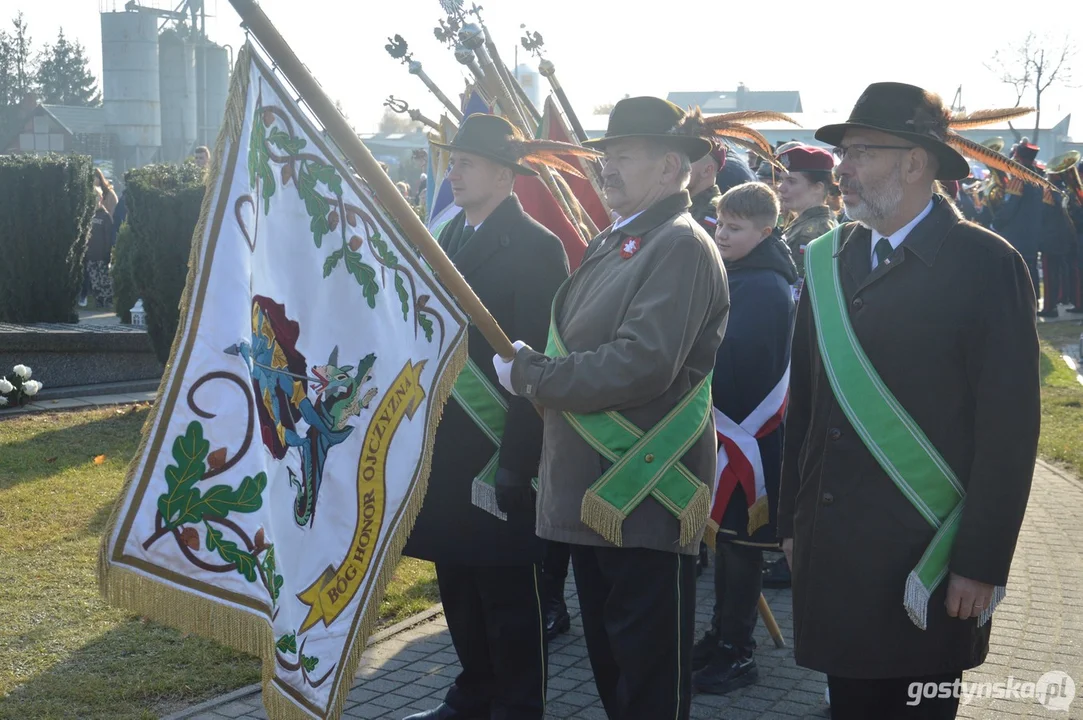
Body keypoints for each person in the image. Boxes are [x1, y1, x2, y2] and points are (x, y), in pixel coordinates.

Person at [779, 82, 1040, 720]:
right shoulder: (826, 261)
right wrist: (790, 523)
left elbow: (1009, 430)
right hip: (836, 555)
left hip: (926, 563)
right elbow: (805, 407)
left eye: (861, 151)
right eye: (844, 153)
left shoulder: (986, 263)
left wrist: (980, 563)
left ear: (916, 162)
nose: (843, 168)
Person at [493, 96, 731, 720]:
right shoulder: (624, 238)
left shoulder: (679, 244)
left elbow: (641, 364)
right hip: (596, 492)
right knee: (614, 675)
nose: (608, 168)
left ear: (671, 167)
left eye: (625, 156)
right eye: (607, 155)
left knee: (647, 684)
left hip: (642, 491)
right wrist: (538, 367)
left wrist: (535, 376)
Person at [402, 114, 578, 720]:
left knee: (508, 590)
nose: (454, 170)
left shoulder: (537, 247)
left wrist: (518, 461)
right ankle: (474, 691)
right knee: (456, 578)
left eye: (467, 162)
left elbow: (542, 360)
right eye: (454, 160)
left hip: (500, 445)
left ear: (504, 176)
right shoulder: (449, 238)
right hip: (447, 445)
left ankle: (519, 704)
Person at [691, 181, 796, 694]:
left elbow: (742, 365)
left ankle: (738, 651)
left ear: (766, 230)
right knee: (730, 547)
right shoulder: (741, 272)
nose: (722, 234)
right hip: (731, 433)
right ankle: (720, 635)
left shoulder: (766, 286)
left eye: (735, 228)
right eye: (720, 223)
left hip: (749, 437)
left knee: (742, 547)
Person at [777, 145, 839, 280]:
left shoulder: (809, 233)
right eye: (782, 180)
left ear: (818, 187)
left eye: (791, 181)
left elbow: (798, 288)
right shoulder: (808, 223)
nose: (781, 188)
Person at [992, 142, 1043, 298]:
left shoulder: (1019, 179)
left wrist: (995, 223)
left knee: (1015, 273)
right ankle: (1032, 302)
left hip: (1016, 235)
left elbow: (1010, 207)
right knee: (1030, 269)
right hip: (1032, 235)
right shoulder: (1038, 179)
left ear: (1019, 158)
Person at [83, 186, 115, 309]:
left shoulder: (105, 216)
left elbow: (108, 237)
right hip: (91, 255)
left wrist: (107, 253)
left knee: (104, 279)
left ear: (101, 198)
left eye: (96, 198)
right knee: (94, 280)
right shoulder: (88, 216)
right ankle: (99, 301)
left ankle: (108, 300)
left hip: (102, 255)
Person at [688, 140, 726, 234]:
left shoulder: (714, 211)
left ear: (707, 170)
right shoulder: (686, 204)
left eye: (688, 161)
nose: (678, 167)